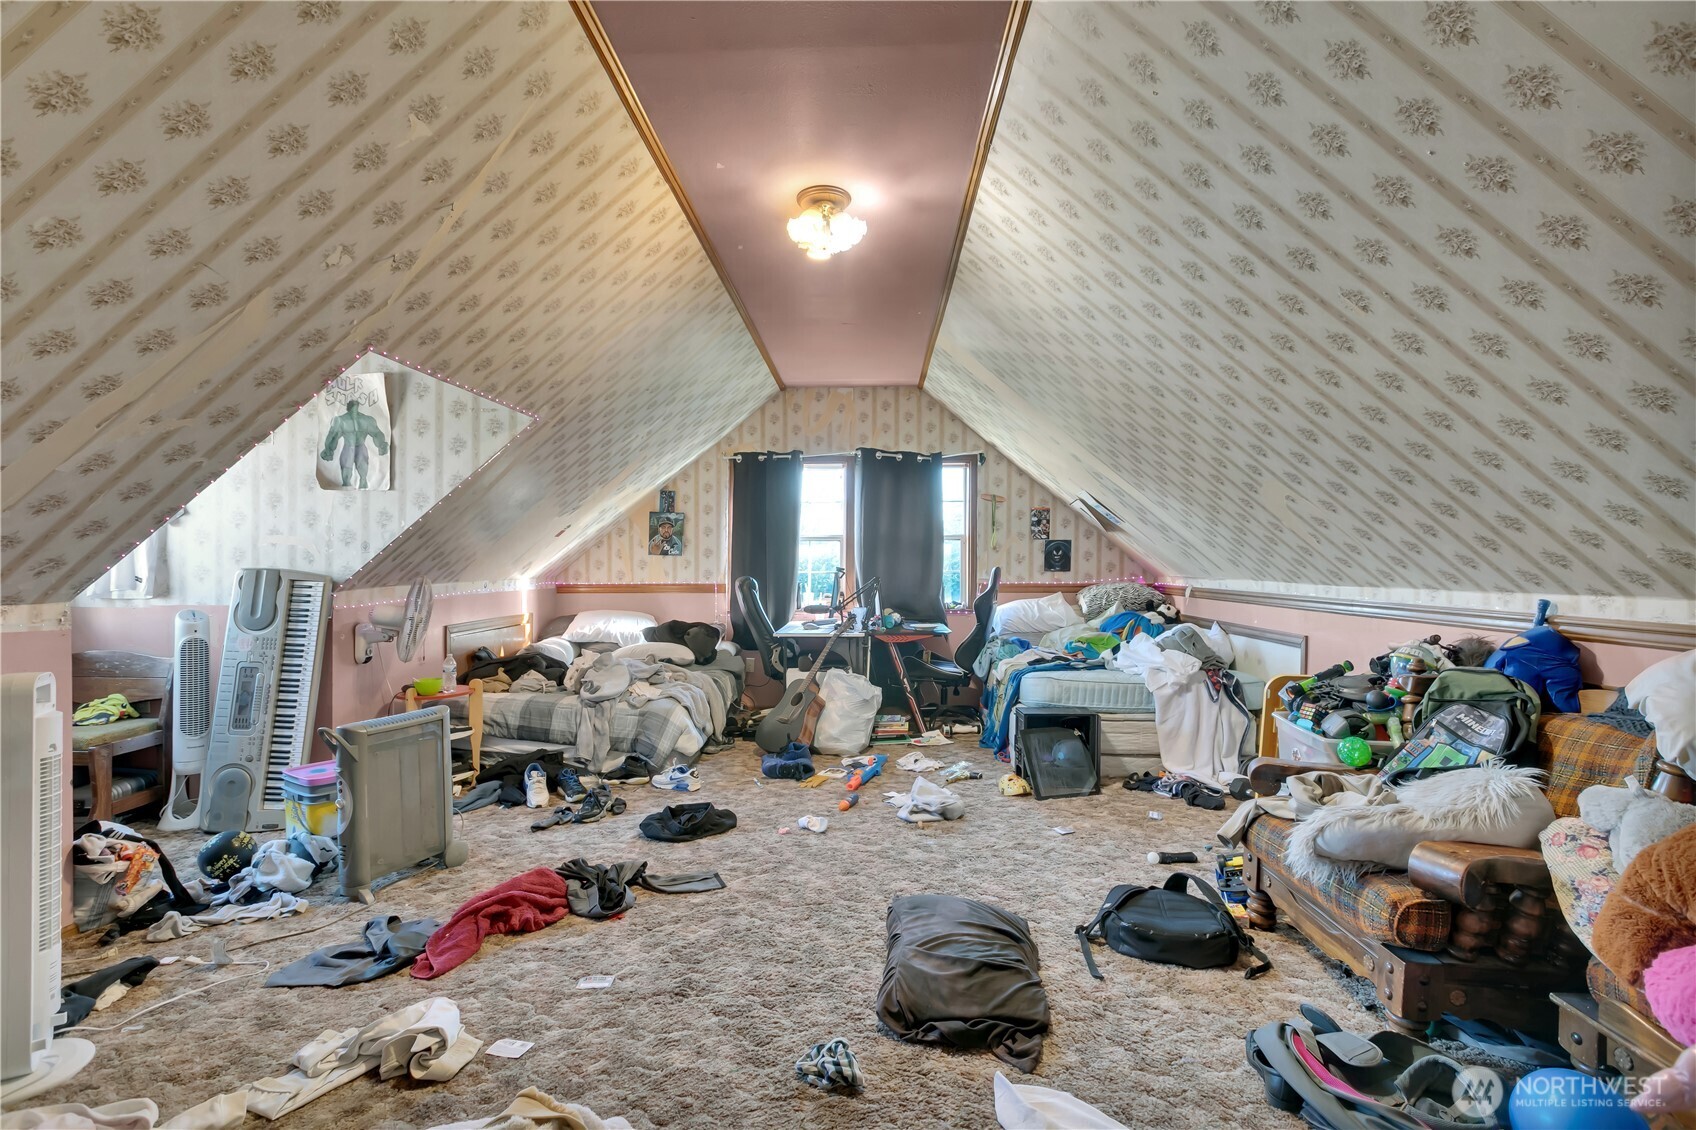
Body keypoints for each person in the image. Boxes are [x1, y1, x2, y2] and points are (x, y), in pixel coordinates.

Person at [320, 401, 389, 489]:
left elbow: (376, 433)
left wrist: (381, 445)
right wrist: (328, 450)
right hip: (348, 446)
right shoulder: (341, 420)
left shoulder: (366, 420)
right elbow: (333, 436)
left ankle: (362, 484)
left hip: (360, 446)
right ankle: (347, 486)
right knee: (346, 469)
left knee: (363, 469)